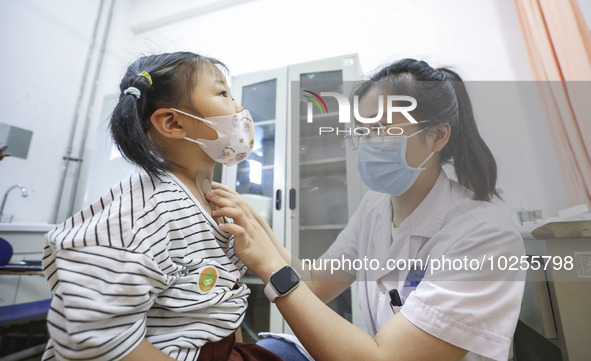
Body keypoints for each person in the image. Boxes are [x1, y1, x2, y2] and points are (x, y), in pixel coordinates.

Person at [206, 59, 526, 361]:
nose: (369, 141)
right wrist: (257, 225)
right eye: (362, 129)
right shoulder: (376, 204)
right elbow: (317, 281)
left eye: (382, 128)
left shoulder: (485, 235)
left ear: (437, 136)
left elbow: (386, 357)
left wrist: (270, 266)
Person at [42, 52, 282, 361]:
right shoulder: (146, 208)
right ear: (172, 122)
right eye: (223, 93)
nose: (239, 108)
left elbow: (220, 306)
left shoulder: (214, 199)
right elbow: (92, 335)